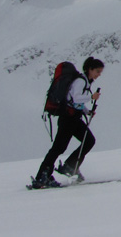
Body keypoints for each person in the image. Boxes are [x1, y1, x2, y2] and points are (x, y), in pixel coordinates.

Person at [30, 57, 104, 188]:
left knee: (88, 141)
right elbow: (76, 98)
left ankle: (69, 166)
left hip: (73, 118)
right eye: (97, 71)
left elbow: (74, 100)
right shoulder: (81, 81)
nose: (99, 75)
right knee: (59, 147)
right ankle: (43, 176)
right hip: (68, 119)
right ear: (90, 69)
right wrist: (91, 97)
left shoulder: (85, 81)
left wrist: (87, 112)